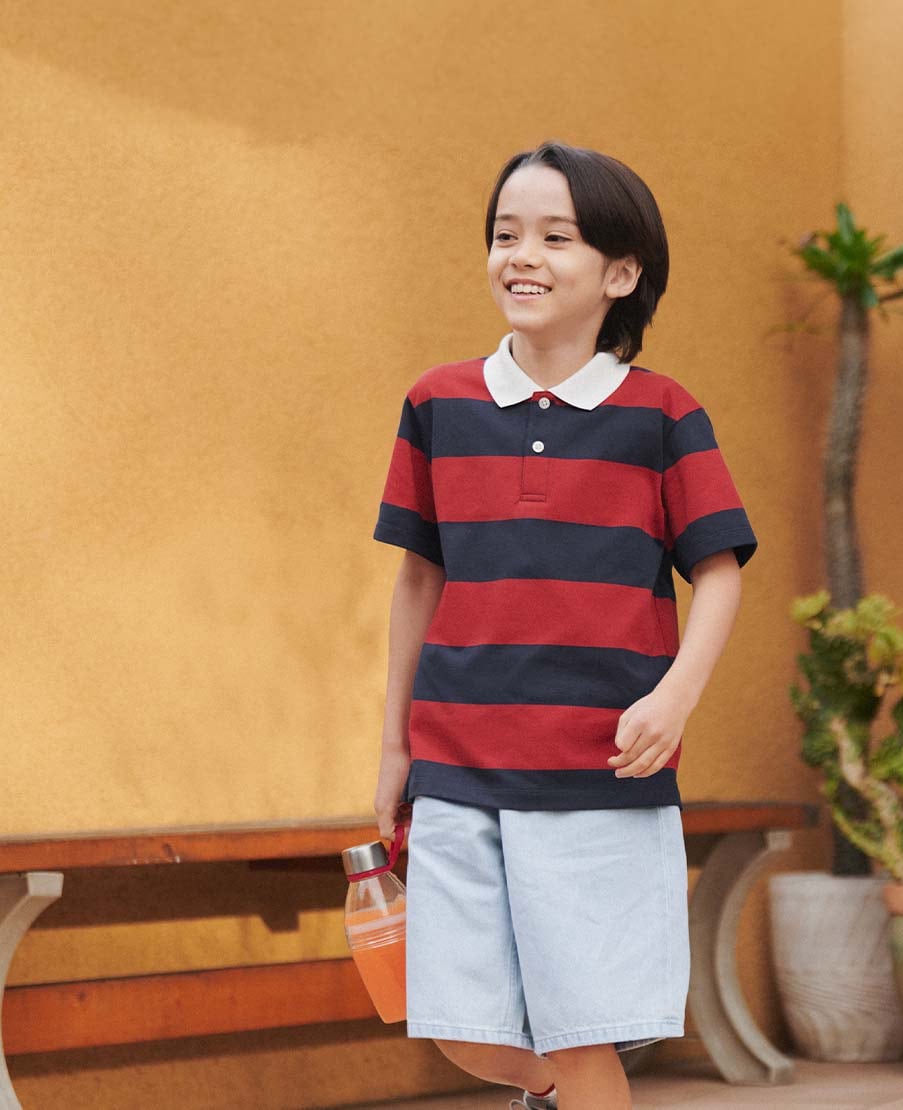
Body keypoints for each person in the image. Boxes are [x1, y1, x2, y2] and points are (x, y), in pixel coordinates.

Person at [372, 141, 757, 1110]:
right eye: (506, 235)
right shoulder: (436, 405)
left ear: (621, 273)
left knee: (585, 1033)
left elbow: (718, 574)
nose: (521, 255)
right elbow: (419, 581)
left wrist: (675, 700)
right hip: (459, 760)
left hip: (601, 773)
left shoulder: (664, 417)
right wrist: (392, 749)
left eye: (555, 236)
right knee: (461, 1024)